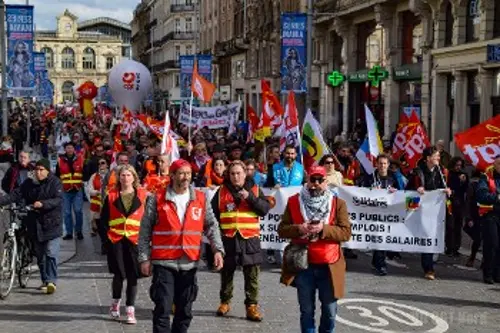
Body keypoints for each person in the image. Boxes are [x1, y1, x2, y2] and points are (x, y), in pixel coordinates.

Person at [138, 159, 225, 333]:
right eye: (182, 173)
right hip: (164, 262)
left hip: (189, 262)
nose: (186, 177)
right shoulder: (158, 198)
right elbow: (145, 230)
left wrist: (217, 250)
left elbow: (211, 225)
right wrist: (144, 258)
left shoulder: (200, 198)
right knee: (163, 307)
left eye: (189, 174)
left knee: (185, 310)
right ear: (172, 175)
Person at [278, 165, 351, 333]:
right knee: (307, 312)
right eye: (313, 179)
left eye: (320, 180)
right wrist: (299, 228)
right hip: (304, 266)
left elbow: (346, 233)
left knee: (330, 313)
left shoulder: (338, 204)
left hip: (329, 266)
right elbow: (282, 229)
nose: (316, 184)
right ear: (307, 180)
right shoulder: (294, 201)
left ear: (326, 182)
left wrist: (323, 229)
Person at [212, 160, 271, 321]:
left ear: (245, 174)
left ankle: (251, 306)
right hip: (228, 238)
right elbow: (213, 216)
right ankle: (225, 302)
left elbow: (264, 209)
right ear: (228, 175)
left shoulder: (255, 189)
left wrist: (250, 197)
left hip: (249, 239)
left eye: (239, 173)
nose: (236, 176)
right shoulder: (221, 191)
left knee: (251, 275)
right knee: (226, 273)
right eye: (232, 173)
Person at [0, 158, 63, 294]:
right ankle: (45, 280)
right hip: (35, 225)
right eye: (37, 170)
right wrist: (2, 201)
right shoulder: (29, 183)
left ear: (47, 171)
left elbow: (57, 200)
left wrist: (43, 204)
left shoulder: (55, 182)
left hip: (52, 224)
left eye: (41, 170)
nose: (38, 172)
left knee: (50, 252)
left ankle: (52, 281)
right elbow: (15, 195)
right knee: (40, 255)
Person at [101, 164, 151, 324]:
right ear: (118, 177)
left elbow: (150, 220)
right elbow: (103, 221)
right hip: (116, 241)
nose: (125, 178)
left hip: (135, 241)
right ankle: (115, 304)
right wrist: (106, 240)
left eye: (128, 175)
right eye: (122, 175)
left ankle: (130, 310)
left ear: (134, 177)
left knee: (133, 277)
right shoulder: (111, 196)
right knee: (118, 275)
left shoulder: (144, 195)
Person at [407, 147, 452, 280]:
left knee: (431, 235)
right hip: (420, 209)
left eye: (438, 156)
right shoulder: (417, 172)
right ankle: (428, 267)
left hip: (435, 210)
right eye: (436, 156)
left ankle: (430, 265)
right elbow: (406, 191)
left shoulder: (442, 172)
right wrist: (417, 189)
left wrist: (448, 191)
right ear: (428, 158)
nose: (438, 158)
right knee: (425, 235)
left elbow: (444, 188)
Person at [361, 154, 402, 276]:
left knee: (383, 238)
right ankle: (380, 265)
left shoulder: (393, 177)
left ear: (388, 165)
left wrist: (396, 191)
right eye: (380, 163)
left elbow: (403, 191)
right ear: (376, 164)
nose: (382, 166)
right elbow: (361, 192)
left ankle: (377, 262)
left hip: (389, 213)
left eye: (385, 163)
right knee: (379, 237)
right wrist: (372, 191)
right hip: (374, 212)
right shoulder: (370, 177)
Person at [476, 155, 500, 284]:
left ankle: (498, 273)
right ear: (494, 165)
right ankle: (488, 273)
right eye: (499, 164)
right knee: (492, 244)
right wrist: (497, 198)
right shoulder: (486, 177)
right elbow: (481, 195)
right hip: (491, 214)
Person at [55, 142, 85, 240]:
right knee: (67, 213)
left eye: (71, 148)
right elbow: (57, 175)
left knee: (78, 211)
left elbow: (84, 172)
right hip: (65, 190)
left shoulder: (80, 159)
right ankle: (69, 233)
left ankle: (79, 231)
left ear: (74, 149)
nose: (70, 150)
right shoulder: (60, 160)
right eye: (68, 148)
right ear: (65, 149)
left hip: (77, 190)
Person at [446, 157, 468, 256]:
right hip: (450, 201)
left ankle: (456, 247)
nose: (458, 167)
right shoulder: (449, 174)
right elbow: (448, 185)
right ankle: (449, 247)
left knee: (458, 225)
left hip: (460, 202)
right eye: (456, 165)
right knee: (450, 225)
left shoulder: (463, 175)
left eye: (460, 165)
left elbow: (465, 189)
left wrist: (463, 181)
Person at [87, 157, 109, 253]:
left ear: (107, 164)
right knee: (100, 227)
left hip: (108, 207)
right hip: (97, 208)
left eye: (103, 163)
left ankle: (108, 244)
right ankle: (104, 243)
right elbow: (89, 190)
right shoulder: (94, 176)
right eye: (99, 164)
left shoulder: (111, 175)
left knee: (108, 227)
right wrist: (97, 192)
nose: (101, 165)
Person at [464, 169, 482, 267]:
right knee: (477, 239)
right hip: (476, 215)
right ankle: (472, 257)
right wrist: (469, 218)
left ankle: (486, 262)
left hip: (488, 214)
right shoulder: (473, 185)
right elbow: (468, 202)